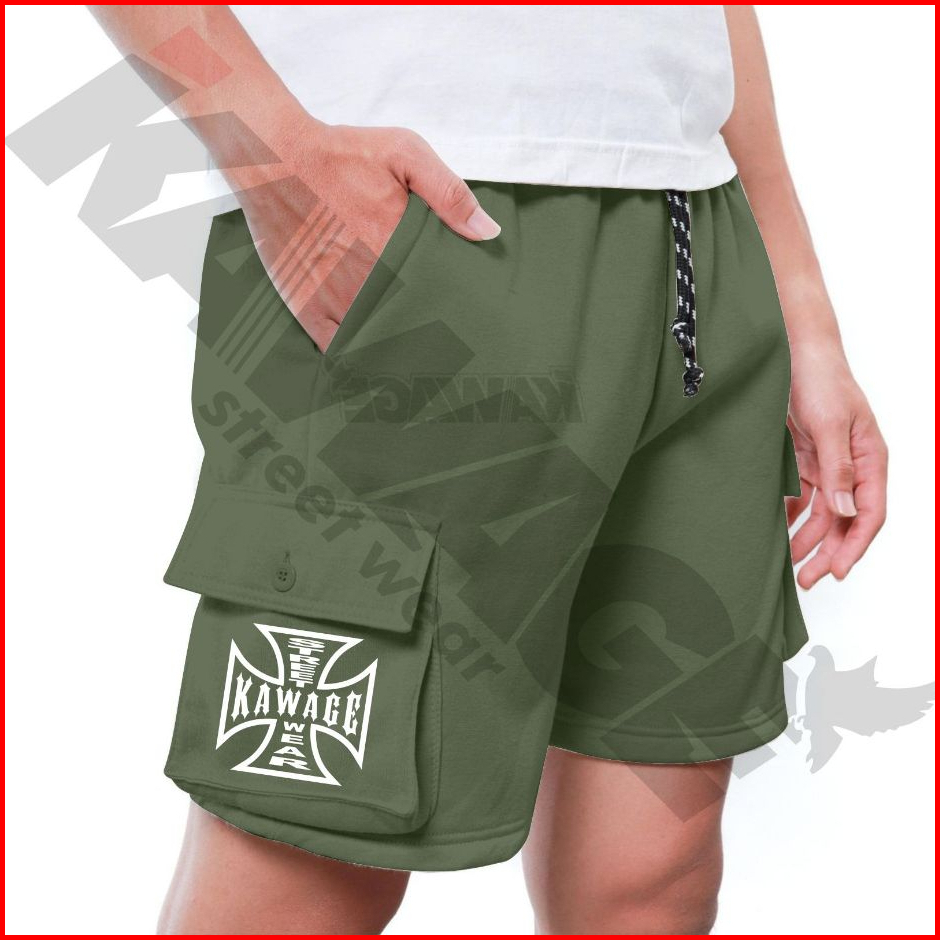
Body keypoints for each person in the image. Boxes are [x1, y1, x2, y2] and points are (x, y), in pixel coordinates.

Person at [90, 6, 888, 935]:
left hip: (695, 238)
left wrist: (802, 308)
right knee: (310, 857)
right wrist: (276, 153)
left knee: (650, 871)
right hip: (417, 223)